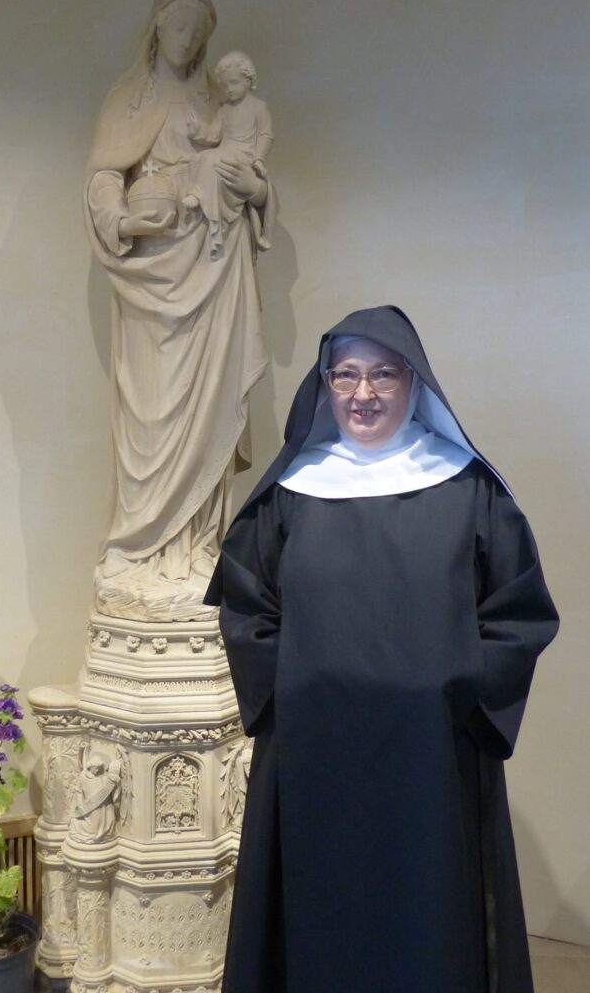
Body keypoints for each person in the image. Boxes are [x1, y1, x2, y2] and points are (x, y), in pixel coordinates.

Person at [204, 305, 559, 992]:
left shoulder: (468, 490)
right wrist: (293, 687)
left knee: (428, 911)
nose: (361, 393)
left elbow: (517, 613)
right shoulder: (288, 494)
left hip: (431, 753)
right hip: (313, 751)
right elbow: (246, 607)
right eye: (344, 375)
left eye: (382, 376)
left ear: (412, 384)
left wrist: (454, 688)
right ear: (325, 384)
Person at [84, 0, 276, 622]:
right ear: (157, 28)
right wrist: (122, 221)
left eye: (201, 31)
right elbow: (105, 176)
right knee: (152, 408)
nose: (190, 41)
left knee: (210, 396)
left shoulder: (220, 102)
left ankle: (197, 548)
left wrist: (252, 187)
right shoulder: (128, 100)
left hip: (216, 263)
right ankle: (138, 553)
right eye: (181, 27)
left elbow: (251, 172)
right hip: (153, 267)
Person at [183, 50, 274, 257]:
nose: (229, 89)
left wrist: (258, 159)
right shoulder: (224, 111)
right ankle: (199, 195)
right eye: (224, 85)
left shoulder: (259, 107)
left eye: (234, 82)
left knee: (213, 159)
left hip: (244, 156)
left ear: (248, 80)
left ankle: (211, 212)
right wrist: (197, 130)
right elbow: (213, 135)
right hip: (225, 151)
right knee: (201, 157)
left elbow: (266, 136)